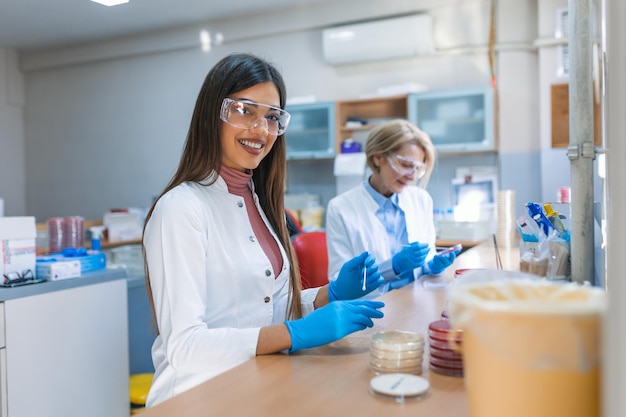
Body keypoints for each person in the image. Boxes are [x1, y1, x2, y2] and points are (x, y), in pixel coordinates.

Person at [141, 53, 385, 407]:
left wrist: (326, 295)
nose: (261, 130)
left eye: (272, 117)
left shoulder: (259, 200)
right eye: (245, 111)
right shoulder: (180, 208)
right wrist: (293, 333)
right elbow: (185, 347)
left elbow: (262, 305)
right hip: (196, 399)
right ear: (214, 114)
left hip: (257, 387)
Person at [326, 119, 460, 293]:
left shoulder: (421, 199)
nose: (412, 176)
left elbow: (424, 263)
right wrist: (392, 267)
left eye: (418, 169)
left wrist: (431, 267)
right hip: (372, 308)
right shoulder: (340, 208)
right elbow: (339, 282)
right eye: (405, 165)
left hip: (416, 301)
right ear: (378, 158)